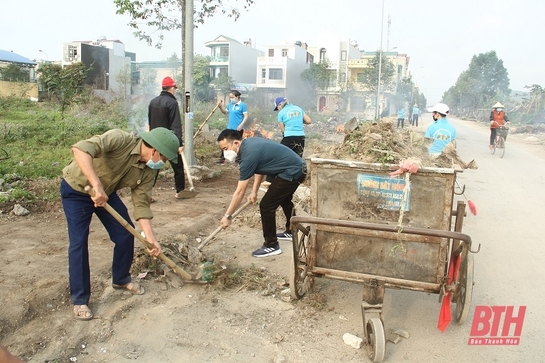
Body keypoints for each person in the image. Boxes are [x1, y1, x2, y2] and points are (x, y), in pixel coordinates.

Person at [61, 127, 180, 320]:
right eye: (165, 159)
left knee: (125, 234)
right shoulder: (119, 139)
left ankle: (121, 278)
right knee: (79, 242)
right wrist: (97, 185)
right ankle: (80, 298)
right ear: (155, 151)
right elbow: (80, 149)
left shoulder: (149, 171)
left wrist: (150, 240)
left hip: (106, 196)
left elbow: (141, 205)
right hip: (77, 189)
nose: (164, 163)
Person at [217, 129, 306, 258]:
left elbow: (239, 192)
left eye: (226, 148)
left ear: (236, 143)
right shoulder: (249, 145)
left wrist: (228, 216)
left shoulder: (248, 155)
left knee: (266, 205)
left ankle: (271, 245)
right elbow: (260, 168)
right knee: (284, 199)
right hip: (296, 168)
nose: (225, 153)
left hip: (293, 171)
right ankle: (291, 230)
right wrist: (254, 191)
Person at [148, 76, 185, 199]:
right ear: (171, 88)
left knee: (154, 168)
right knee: (178, 167)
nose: (175, 90)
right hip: (169, 141)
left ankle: (146, 194)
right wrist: (179, 143)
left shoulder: (153, 101)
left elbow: (150, 122)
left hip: (155, 140)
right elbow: (176, 125)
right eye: (175, 88)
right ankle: (180, 192)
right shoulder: (172, 103)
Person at [216, 90, 248, 164]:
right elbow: (225, 112)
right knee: (224, 143)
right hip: (230, 128)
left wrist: (241, 125)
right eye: (230, 97)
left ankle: (238, 159)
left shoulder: (242, 105)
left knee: (237, 144)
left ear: (237, 97)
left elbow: (246, 116)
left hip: (238, 129)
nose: (231, 99)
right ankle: (222, 158)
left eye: (232, 97)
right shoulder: (230, 104)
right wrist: (220, 107)